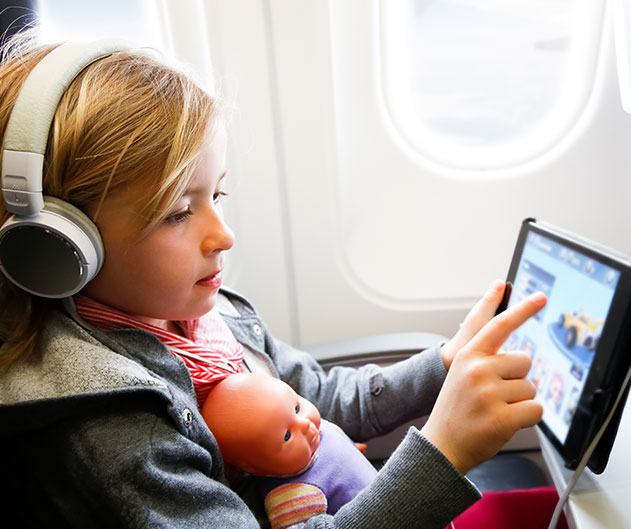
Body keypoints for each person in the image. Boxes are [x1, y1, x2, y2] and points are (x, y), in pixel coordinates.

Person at [0, 35, 546, 528]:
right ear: (58, 245)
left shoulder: (207, 323)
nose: (224, 235)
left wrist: (446, 362)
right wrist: (443, 455)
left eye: (218, 195)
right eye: (175, 213)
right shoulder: (112, 426)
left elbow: (323, 398)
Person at [201, 373, 378, 528]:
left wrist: (351, 449)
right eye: (287, 436)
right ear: (256, 469)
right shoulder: (294, 498)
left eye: (297, 408)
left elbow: (337, 442)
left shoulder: (315, 428)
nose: (305, 424)